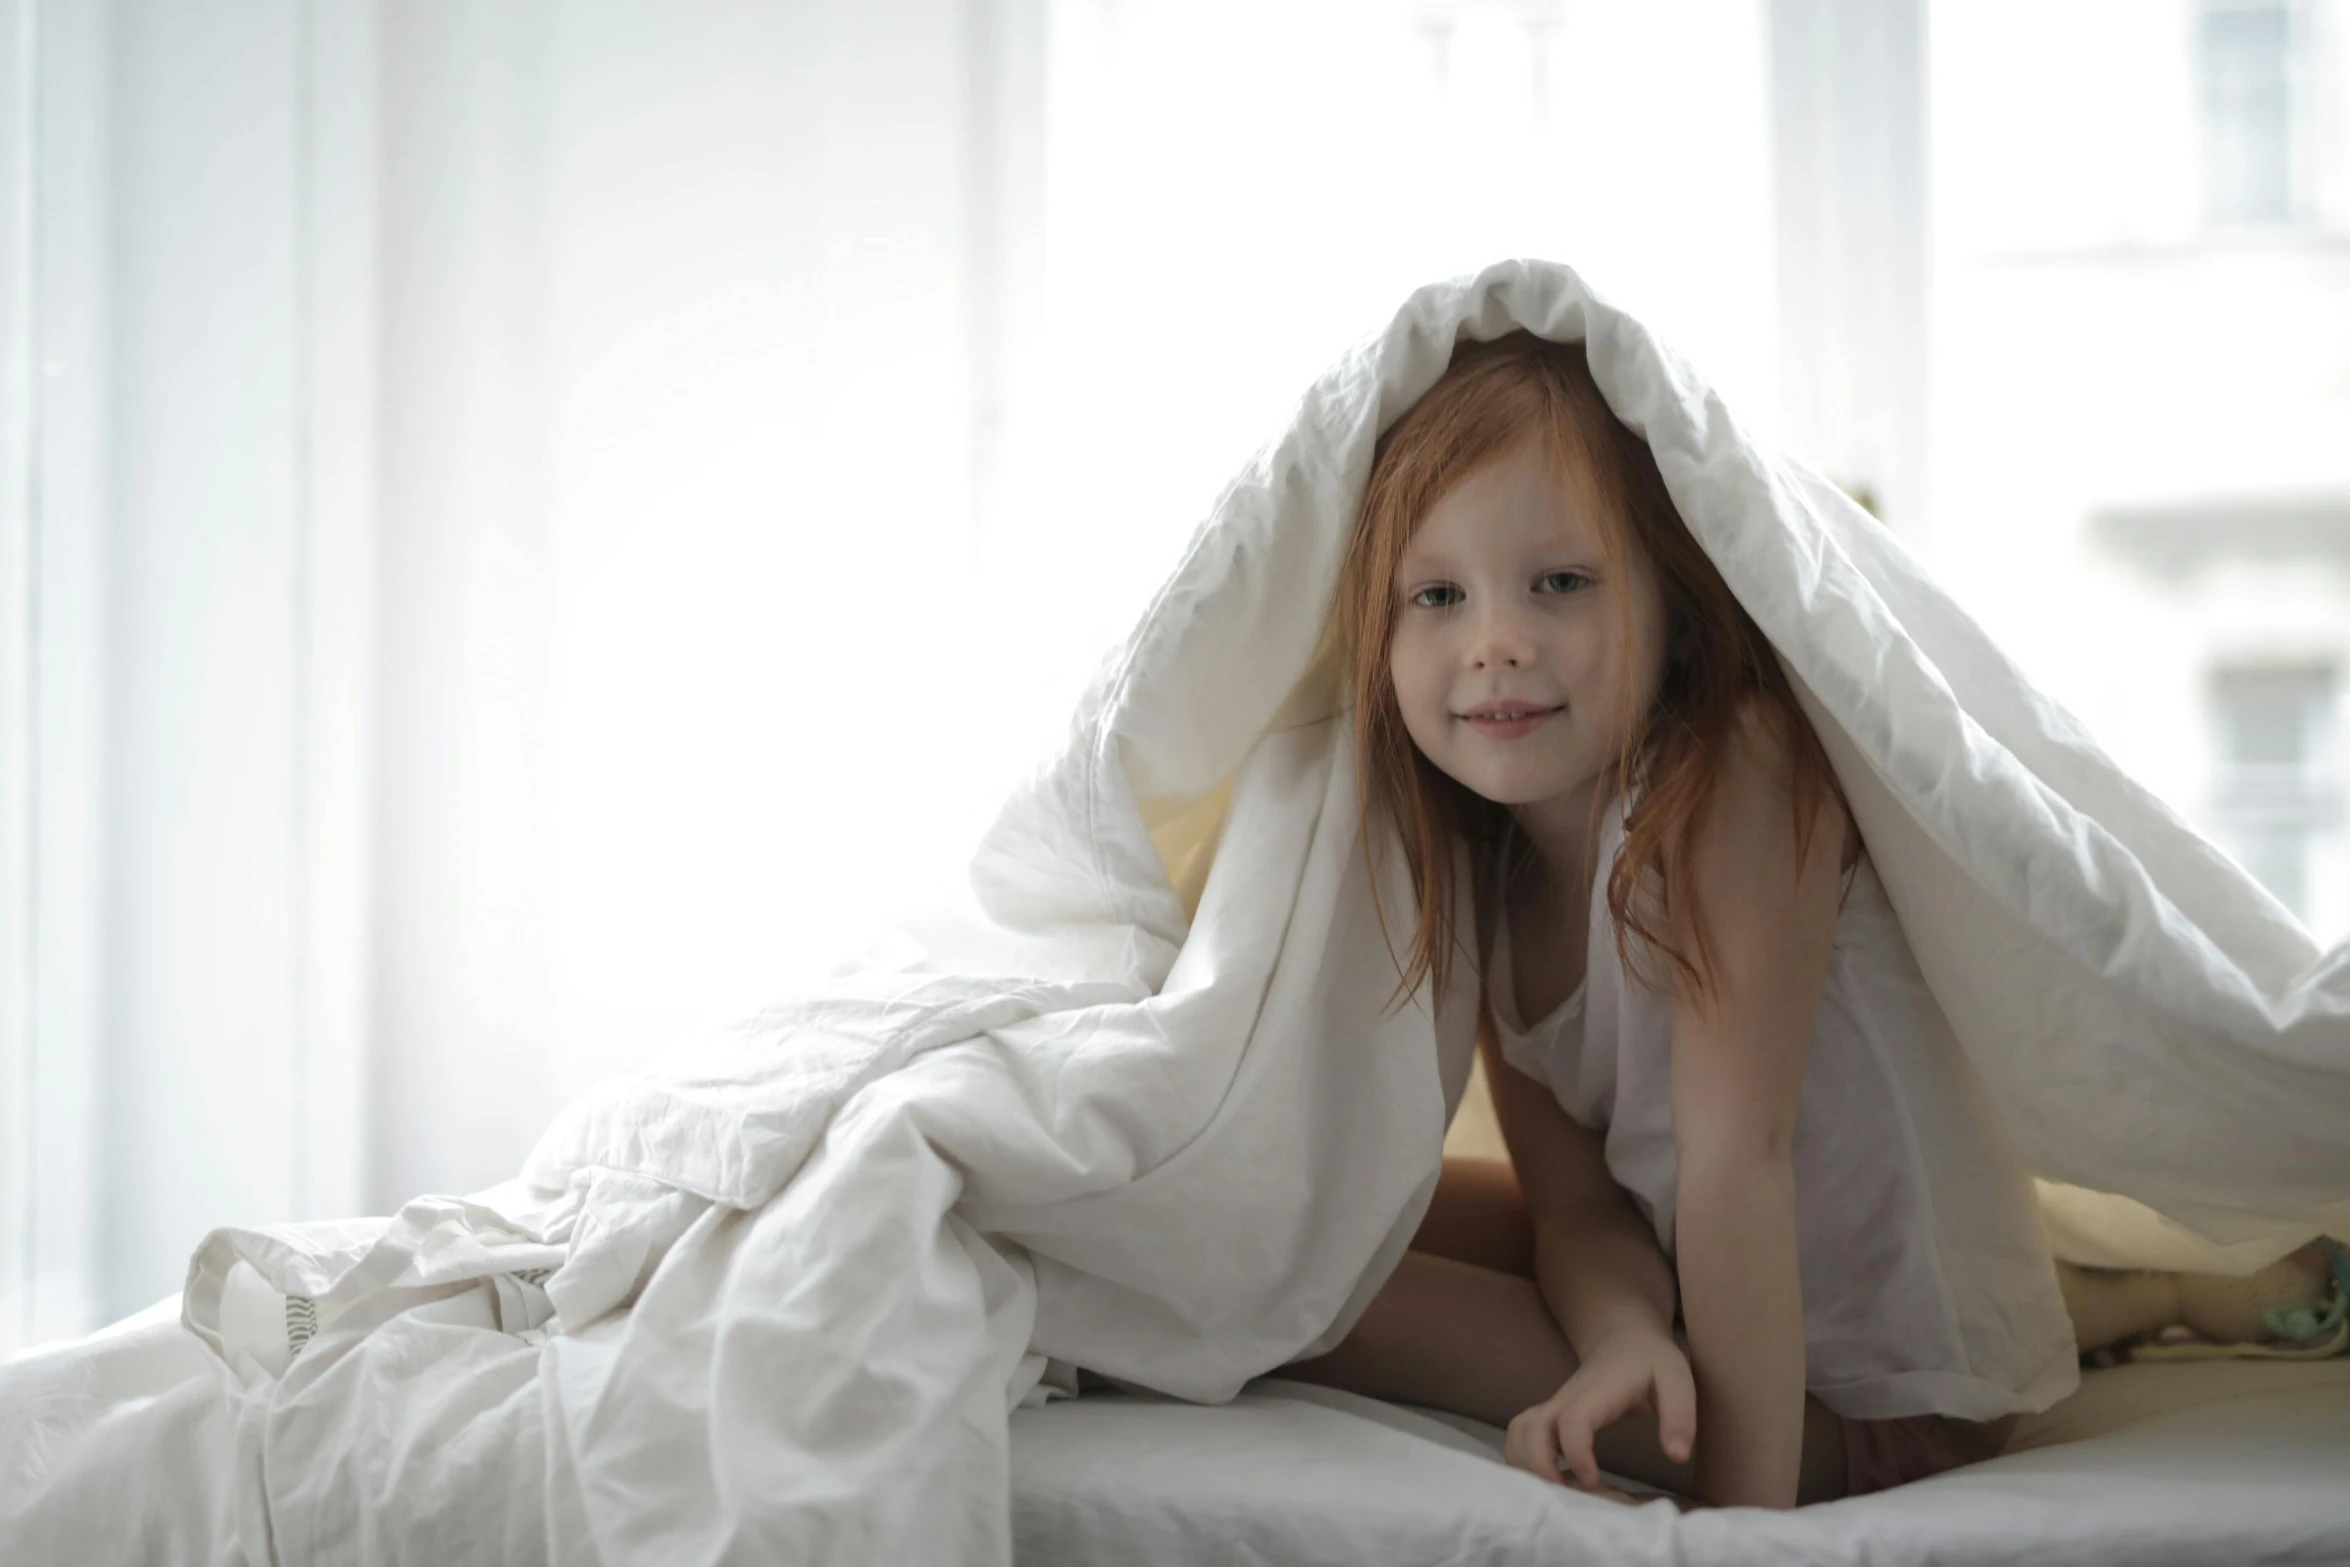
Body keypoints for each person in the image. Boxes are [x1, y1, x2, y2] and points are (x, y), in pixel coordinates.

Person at [1284, 329, 2083, 1508]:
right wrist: (1619, 1337)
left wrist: (1740, 1523)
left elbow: (1736, 1163)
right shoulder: (1491, 885)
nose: (1494, 640)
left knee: (1304, 1292)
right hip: (1674, 1277)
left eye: (1559, 581)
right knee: (1313, 1206)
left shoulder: (1733, 773)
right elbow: (1576, 1205)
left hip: (1862, 1398)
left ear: (1673, 596)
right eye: (1437, 594)